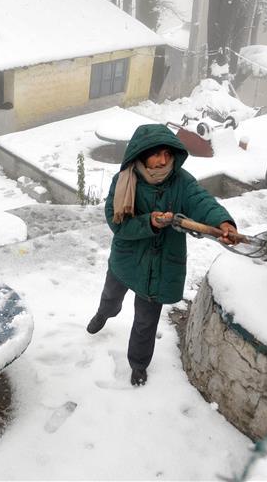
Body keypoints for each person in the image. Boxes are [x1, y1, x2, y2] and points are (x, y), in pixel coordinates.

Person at [86, 123, 238, 386]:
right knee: (111, 297)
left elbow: (202, 201)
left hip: (160, 265)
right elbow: (117, 223)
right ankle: (104, 314)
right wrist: (151, 223)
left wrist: (223, 222)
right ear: (142, 154)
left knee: (146, 322)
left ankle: (138, 364)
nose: (163, 159)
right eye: (156, 154)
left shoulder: (182, 182)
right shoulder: (123, 181)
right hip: (126, 259)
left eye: (167, 153)